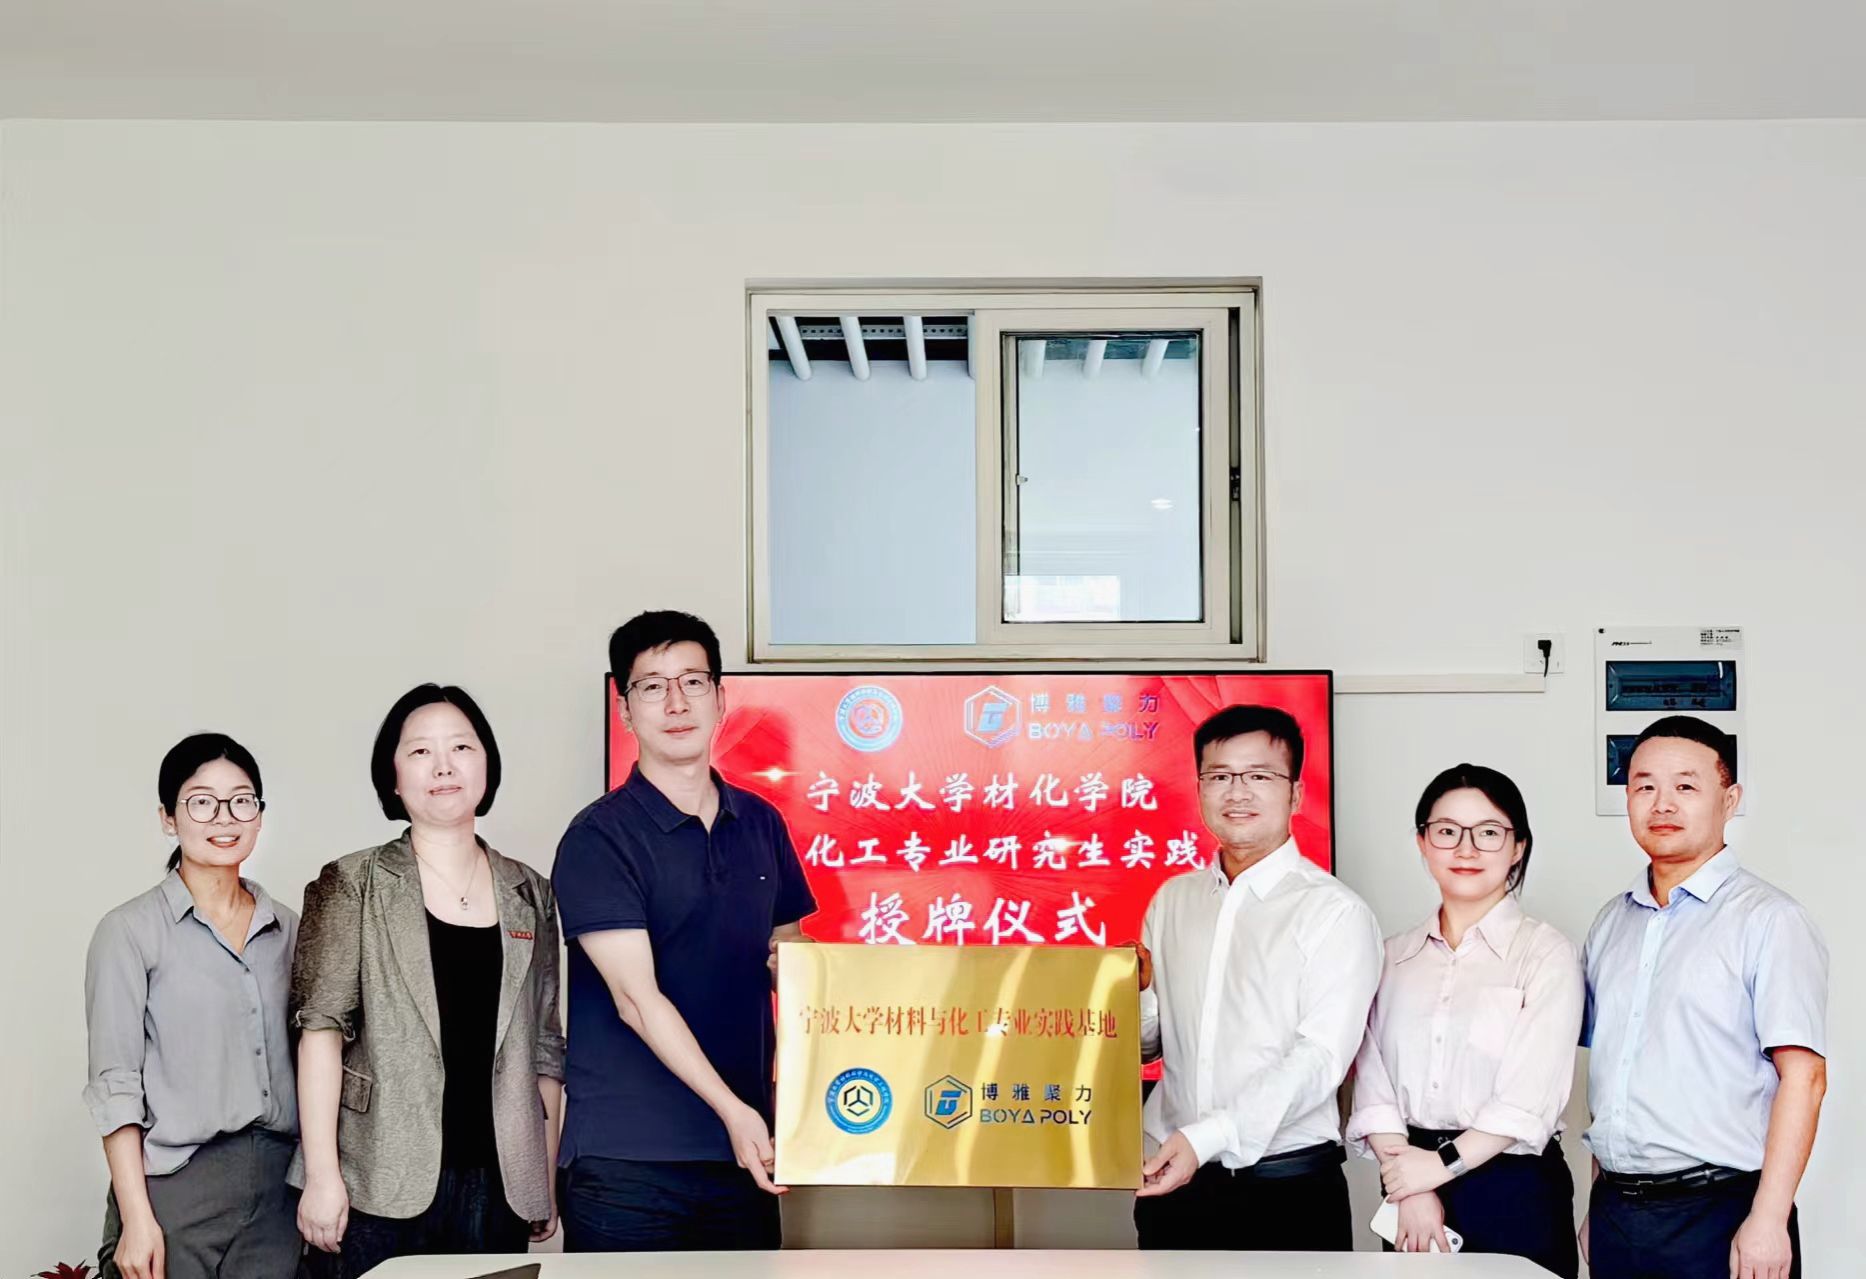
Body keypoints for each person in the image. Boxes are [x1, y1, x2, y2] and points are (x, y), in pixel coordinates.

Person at [552, 609, 817, 1251]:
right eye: (652, 686)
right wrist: (734, 1112)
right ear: (625, 709)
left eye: (693, 682)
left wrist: (801, 967)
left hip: (745, 1154)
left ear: (721, 698)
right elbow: (636, 1000)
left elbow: (787, 948)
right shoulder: (598, 838)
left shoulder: (761, 822)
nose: (676, 703)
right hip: (629, 1163)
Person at [292, 684, 565, 1277]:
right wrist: (322, 1176)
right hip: (377, 1179)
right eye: (420, 751)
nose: (443, 766)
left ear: (486, 765)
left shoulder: (531, 892)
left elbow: (545, 1047)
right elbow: (319, 1033)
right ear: (393, 778)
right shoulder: (352, 882)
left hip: (499, 1185)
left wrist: (540, 1175)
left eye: (461, 747)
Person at [1581, 716, 1827, 1279]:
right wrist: (1597, 1200)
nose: (1662, 804)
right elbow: (1612, 1077)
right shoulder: (1610, 924)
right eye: (1644, 786)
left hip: (1722, 1212)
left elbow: (1805, 1078)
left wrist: (1769, 1218)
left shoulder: (1770, 920)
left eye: (1686, 786)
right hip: (1618, 1212)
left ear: (1729, 799)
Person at [1133, 703, 1382, 1251]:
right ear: (1200, 788)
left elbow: (1321, 1058)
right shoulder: (1173, 900)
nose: (1237, 792)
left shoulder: (1335, 912)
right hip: (1174, 1183)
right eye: (1219, 776)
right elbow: (1150, 1046)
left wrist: (1207, 1138)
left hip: (1286, 1189)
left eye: (1259, 777)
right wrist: (1139, 996)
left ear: (1295, 793)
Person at [1347, 764, 1583, 1275]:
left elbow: (1528, 1098)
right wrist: (1410, 1185)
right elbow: (1372, 1087)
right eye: (1447, 831)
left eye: (1489, 833)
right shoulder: (1391, 957)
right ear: (1422, 842)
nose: (1466, 849)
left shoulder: (1546, 953)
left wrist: (1437, 1168)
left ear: (1517, 847)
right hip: (1409, 1181)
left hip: (1512, 1187)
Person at [84, 733, 301, 1279]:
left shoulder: (290, 929)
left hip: (278, 1190)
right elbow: (115, 1083)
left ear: (259, 814)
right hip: (176, 1186)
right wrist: (137, 1218)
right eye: (202, 802)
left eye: (241, 800)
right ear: (168, 817)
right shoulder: (129, 931)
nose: (224, 817)